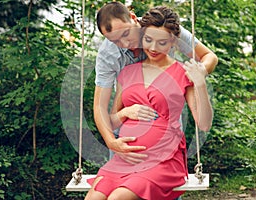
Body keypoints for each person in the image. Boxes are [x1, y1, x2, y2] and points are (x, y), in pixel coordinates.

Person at [85, 6, 213, 200]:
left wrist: (200, 79)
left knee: (118, 198)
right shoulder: (125, 71)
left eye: (161, 42)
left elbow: (204, 124)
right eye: (117, 40)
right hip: (126, 157)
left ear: (173, 43)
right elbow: (104, 112)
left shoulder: (181, 71)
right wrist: (121, 121)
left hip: (163, 158)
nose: (125, 43)